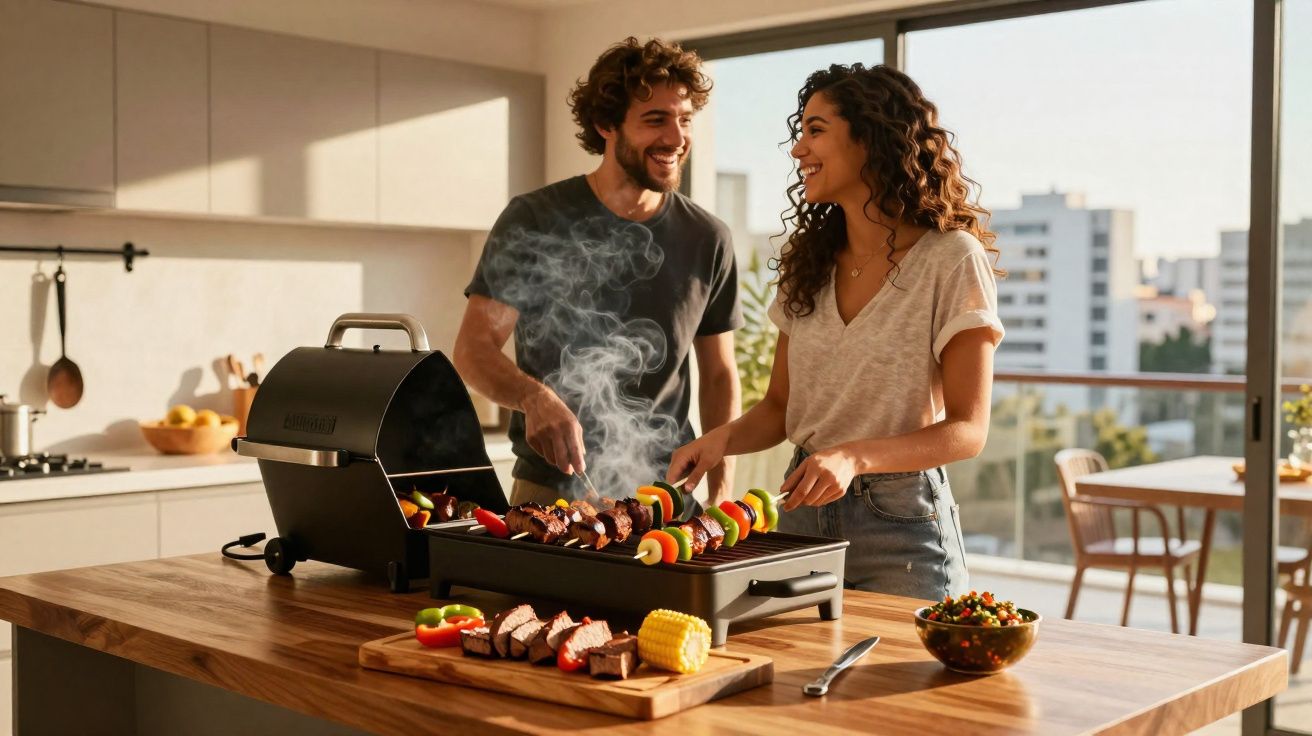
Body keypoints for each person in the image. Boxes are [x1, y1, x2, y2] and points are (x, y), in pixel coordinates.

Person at [666, 63, 1004, 600]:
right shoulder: (809, 263)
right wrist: (718, 442)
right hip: (801, 510)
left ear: (871, 138)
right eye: (800, 133)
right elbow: (780, 406)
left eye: (816, 130)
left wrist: (853, 457)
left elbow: (968, 430)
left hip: (902, 527)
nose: (799, 149)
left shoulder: (950, 258)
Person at [455, 37, 742, 508]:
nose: (675, 137)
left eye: (684, 119)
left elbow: (719, 378)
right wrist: (534, 398)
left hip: (669, 500)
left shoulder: (708, 237)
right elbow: (472, 349)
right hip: (551, 498)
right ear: (606, 124)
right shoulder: (535, 218)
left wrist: (721, 493)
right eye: (655, 120)